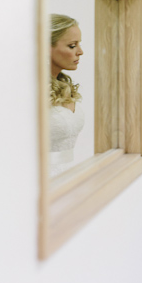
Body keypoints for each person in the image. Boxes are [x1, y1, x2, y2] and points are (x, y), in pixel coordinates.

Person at [48, 14, 85, 178]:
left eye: (79, 44)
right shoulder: (29, 91)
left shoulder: (65, 87)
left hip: (71, 174)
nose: (80, 52)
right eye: (72, 46)